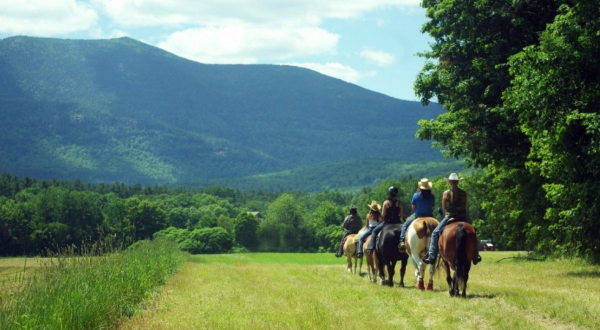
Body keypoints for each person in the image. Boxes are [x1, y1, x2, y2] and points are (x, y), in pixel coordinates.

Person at [422, 173, 482, 265]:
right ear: (458, 182)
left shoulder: (446, 193)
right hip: (462, 217)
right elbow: (466, 207)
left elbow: (444, 208)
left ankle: (432, 256)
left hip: (449, 217)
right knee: (473, 232)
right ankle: (476, 255)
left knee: (435, 233)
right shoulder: (464, 193)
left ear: (449, 182)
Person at [398, 178, 435, 253]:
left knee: (405, 225)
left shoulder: (415, 195)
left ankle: (401, 241)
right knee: (439, 228)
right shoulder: (432, 196)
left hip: (417, 215)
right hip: (429, 216)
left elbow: (413, 207)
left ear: (420, 187)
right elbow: (432, 208)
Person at [365, 186, 404, 255]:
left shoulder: (386, 202)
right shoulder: (399, 203)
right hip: (398, 222)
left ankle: (370, 248)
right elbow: (401, 215)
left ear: (389, 193)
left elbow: (383, 215)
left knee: (374, 231)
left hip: (387, 223)